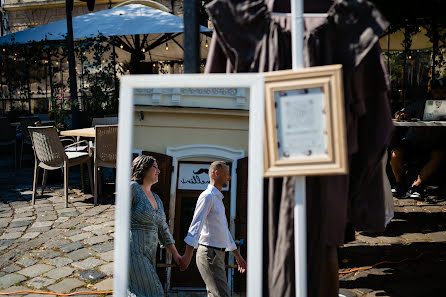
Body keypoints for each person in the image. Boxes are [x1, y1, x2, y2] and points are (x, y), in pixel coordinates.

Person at [180, 161, 247, 297]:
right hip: (209, 254)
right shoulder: (208, 196)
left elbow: (224, 231)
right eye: (227, 174)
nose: (229, 177)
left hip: (217, 254)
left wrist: (237, 256)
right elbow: (195, 226)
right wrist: (187, 256)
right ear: (217, 173)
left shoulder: (217, 199)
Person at [128, 155, 183, 297]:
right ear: (143, 168)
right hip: (133, 250)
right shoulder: (132, 188)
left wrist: (176, 255)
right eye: (155, 167)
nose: (158, 171)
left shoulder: (157, 198)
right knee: (154, 291)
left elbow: (163, 230)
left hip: (150, 255)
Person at [390, 78, 446, 198]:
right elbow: (398, 113)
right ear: (432, 92)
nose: (440, 95)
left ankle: (416, 186)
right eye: (437, 92)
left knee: (439, 155)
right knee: (395, 154)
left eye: (443, 92)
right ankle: (399, 184)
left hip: (434, 145)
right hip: (412, 142)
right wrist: (402, 115)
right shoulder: (421, 104)